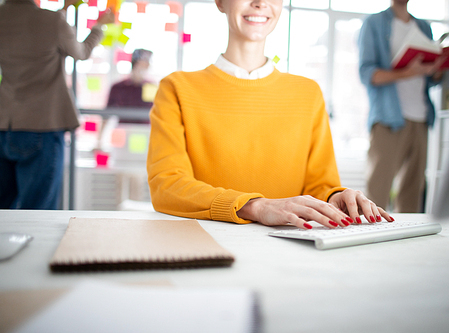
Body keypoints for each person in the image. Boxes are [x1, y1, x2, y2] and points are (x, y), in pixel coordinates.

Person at [147, 0, 393, 230]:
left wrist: (335, 196)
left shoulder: (308, 93)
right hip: (206, 242)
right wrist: (255, 206)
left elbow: (320, 185)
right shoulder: (177, 88)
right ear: (220, 2)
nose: (260, 2)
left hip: (291, 249)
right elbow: (166, 185)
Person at [0, 0, 114, 209]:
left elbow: (31, 34)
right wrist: (99, 26)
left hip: (4, 124)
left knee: (3, 210)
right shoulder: (52, 21)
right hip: (42, 125)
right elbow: (82, 53)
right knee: (37, 212)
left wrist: (63, 11)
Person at [358, 0, 443, 213]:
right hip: (388, 117)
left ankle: (408, 243)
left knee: (413, 193)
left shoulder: (424, 27)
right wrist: (407, 72)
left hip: (421, 117)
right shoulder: (374, 23)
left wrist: (437, 69)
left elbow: (430, 79)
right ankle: (369, 240)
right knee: (377, 192)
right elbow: (367, 74)